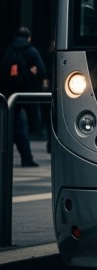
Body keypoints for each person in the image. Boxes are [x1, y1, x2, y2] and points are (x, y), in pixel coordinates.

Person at [1, 26, 48, 167]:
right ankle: (27, 155)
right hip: (29, 94)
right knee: (30, 123)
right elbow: (43, 71)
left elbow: (3, 72)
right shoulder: (31, 51)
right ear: (29, 37)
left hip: (11, 96)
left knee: (13, 125)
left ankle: (15, 154)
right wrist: (32, 73)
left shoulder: (9, 51)